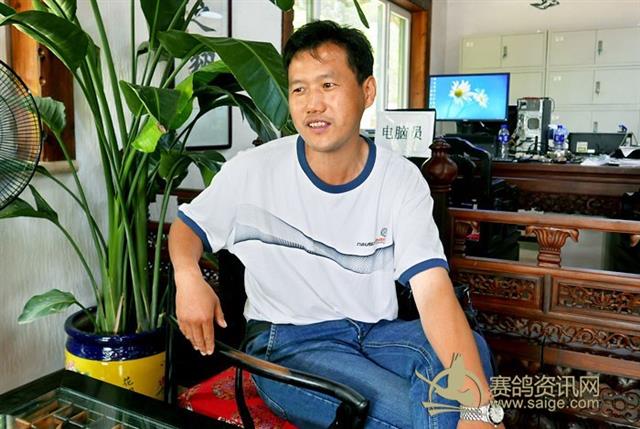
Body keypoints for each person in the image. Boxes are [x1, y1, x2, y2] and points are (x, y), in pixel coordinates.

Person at [169, 20, 504, 429]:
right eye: (299, 89)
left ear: (367, 91)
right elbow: (188, 227)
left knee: (471, 355)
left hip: (377, 335)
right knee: (435, 415)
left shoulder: (400, 179)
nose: (313, 104)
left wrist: (478, 410)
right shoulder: (253, 171)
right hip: (288, 345)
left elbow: (432, 289)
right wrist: (188, 276)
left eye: (328, 85)